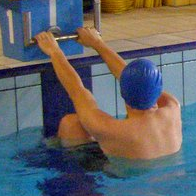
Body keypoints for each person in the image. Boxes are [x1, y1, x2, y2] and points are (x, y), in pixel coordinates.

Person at [35, 27, 182, 160]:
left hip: (117, 176)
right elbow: (137, 79)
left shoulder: (112, 130)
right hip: (164, 172)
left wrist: (54, 51)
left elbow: (77, 91)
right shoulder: (173, 107)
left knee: (71, 124)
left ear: (123, 92)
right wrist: (96, 43)